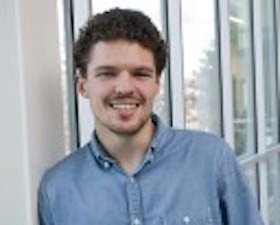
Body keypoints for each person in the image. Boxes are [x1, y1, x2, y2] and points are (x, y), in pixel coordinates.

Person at [38, 8, 264, 225]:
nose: (124, 87)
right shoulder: (57, 189)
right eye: (107, 73)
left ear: (157, 84)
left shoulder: (212, 159)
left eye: (140, 74)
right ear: (82, 85)